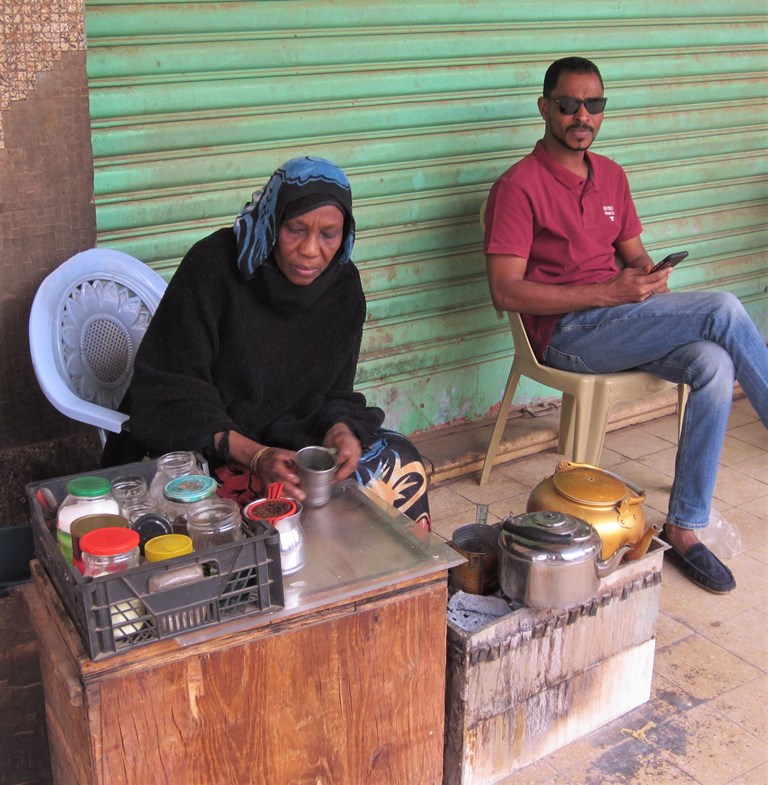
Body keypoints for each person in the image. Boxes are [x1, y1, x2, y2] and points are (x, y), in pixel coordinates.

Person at [483, 56, 768, 593]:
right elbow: (505, 291)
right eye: (569, 104)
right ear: (546, 108)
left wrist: (647, 278)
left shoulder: (611, 175)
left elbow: (634, 257)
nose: (582, 116)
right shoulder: (518, 187)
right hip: (565, 336)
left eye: (594, 105)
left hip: (620, 323)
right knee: (722, 307)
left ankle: (684, 527)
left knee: (714, 361)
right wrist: (608, 292)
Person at [103, 156, 431, 530]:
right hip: (208, 444)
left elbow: (336, 390)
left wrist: (340, 428)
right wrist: (255, 456)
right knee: (239, 512)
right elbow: (167, 390)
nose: (310, 250)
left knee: (399, 461)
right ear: (271, 221)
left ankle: (398, 586)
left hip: (290, 439)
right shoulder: (212, 267)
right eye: (295, 229)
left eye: (328, 234)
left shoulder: (342, 287)